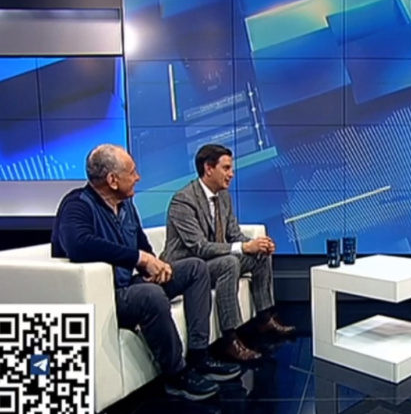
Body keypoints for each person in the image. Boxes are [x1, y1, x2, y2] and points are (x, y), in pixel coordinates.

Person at [51, 144, 242, 400]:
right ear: (112, 180)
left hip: (136, 282)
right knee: (151, 295)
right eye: (132, 172)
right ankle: (176, 375)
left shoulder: (126, 205)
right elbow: (78, 244)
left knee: (195, 268)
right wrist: (140, 259)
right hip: (112, 293)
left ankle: (199, 356)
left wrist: (155, 264)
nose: (138, 177)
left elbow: (141, 243)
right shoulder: (77, 205)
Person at [161, 144, 294, 364]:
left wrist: (256, 244)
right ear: (208, 168)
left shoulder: (223, 196)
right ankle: (229, 340)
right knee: (229, 263)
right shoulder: (183, 201)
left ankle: (264, 319)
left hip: (214, 261)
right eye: (226, 168)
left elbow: (233, 234)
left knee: (260, 255)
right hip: (187, 267)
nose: (231, 174)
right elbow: (199, 247)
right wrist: (243, 248)